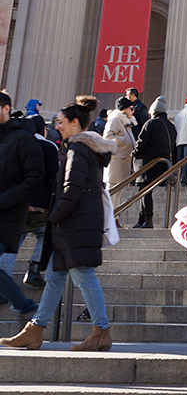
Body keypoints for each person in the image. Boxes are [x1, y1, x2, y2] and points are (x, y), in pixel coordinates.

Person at [1, 96, 114, 352]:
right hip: (76, 223)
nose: (57, 126)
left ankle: (101, 330)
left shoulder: (78, 148)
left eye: (60, 122)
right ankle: (35, 329)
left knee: (84, 276)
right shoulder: (87, 148)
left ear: (75, 123)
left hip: (74, 224)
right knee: (54, 277)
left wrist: (53, 218)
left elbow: (72, 189)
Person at [0, 118, 59, 291]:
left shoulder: (14, 143)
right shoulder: (49, 147)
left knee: (13, 243)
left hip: (18, 203)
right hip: (41, 205)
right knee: (45, 235)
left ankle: (4, 283)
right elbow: (52, 179)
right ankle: (34, 268)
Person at [0, 91, 44, 315]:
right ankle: (23, 306)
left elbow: (34, 179)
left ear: (6, 109)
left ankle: (24, 305)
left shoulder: (23, 138)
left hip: (8, 217)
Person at [131, 96, 177, 229]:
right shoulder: (171, 126)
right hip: (163, 163)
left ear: (154, 111)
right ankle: (142, 220)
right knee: (145, 191)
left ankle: (147, 220)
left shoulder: (151, 123)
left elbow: (142, 141)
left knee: (144, 191)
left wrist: (134, 153)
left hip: (148, 163)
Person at [102, 97, 137, 205]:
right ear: (124, 109)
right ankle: (109, 218)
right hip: (116, 161)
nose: (133, 111)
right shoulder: (115, 120)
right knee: (112, 191)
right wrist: (124, 140)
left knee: (118, 192)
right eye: (131, 108)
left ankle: (114, 218)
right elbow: (107, 138)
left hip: (123, 161)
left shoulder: (125, 123)